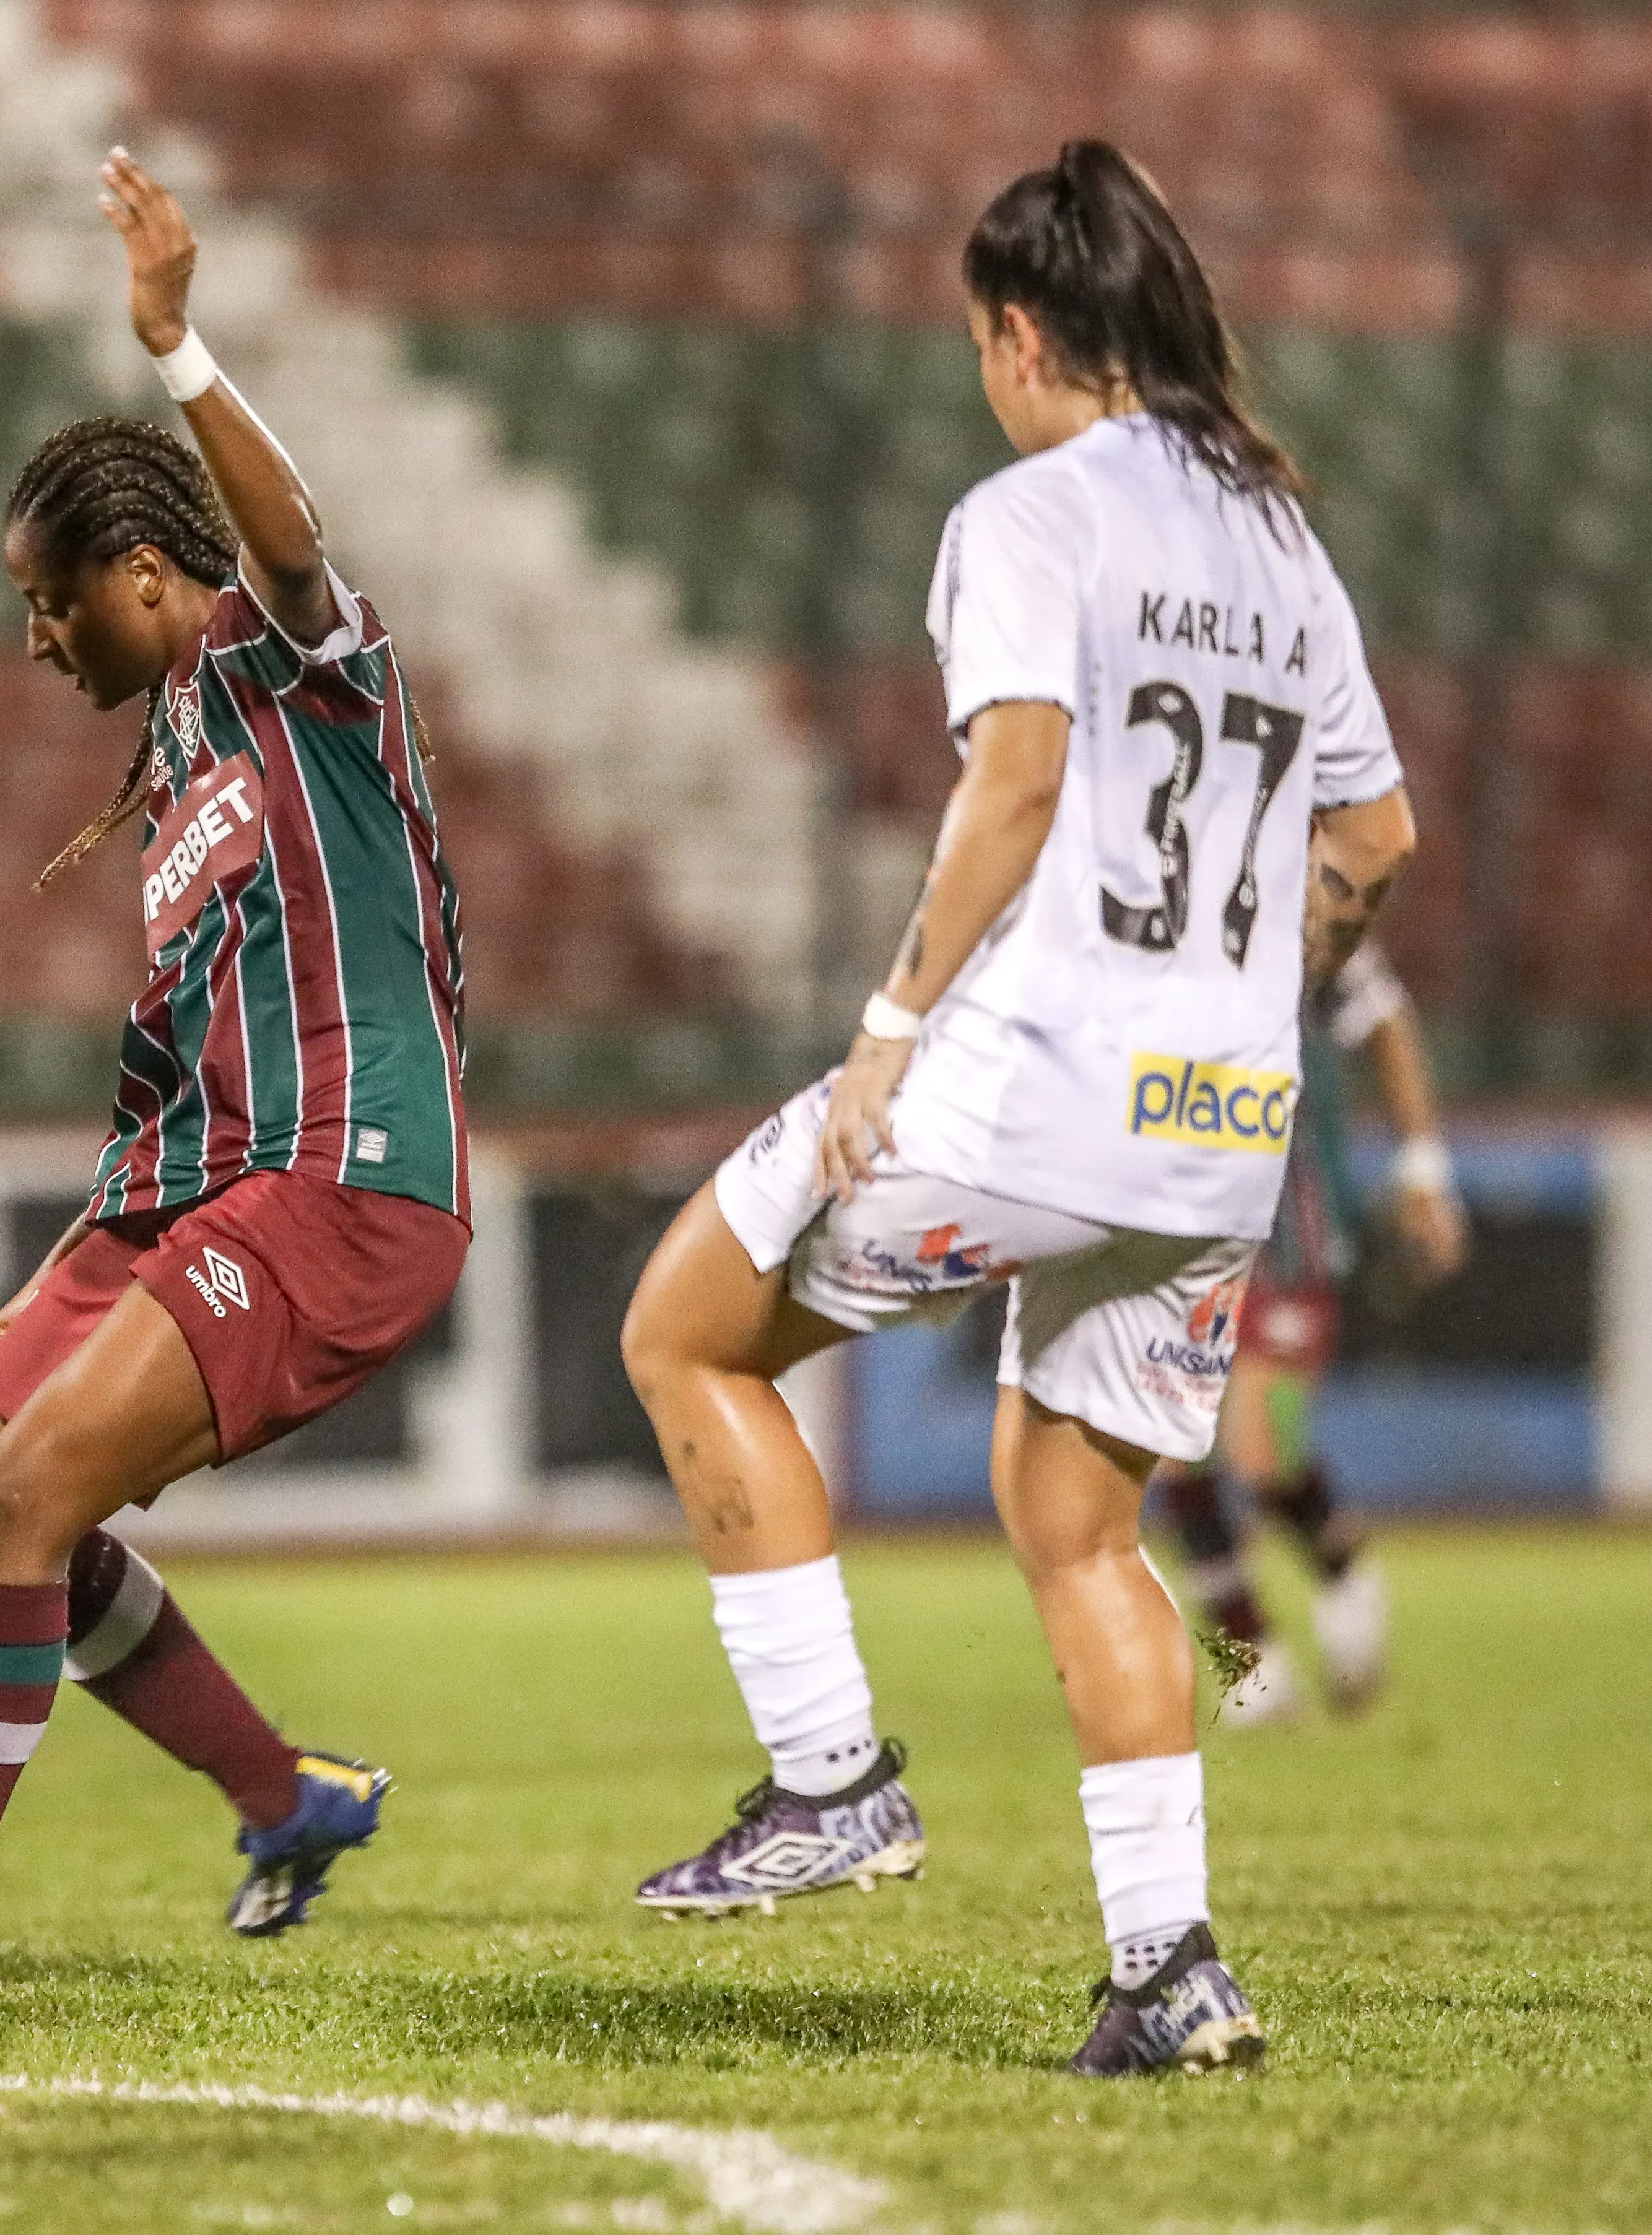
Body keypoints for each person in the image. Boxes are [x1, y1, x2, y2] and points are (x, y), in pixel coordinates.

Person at [613, 141, 1417, 2077]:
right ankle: (1167, 1971)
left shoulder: (1026, 515)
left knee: (682, 1330)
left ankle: (827, 1776)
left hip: (1032, 1079)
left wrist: (888, 1027)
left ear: (1018, 332)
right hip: (1219, 1123)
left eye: (977, 338)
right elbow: (1376, 837)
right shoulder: (1276, 538)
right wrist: (1246, 991)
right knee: (1076, 1522)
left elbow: (1020, 775)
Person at [0, 151, 467, 2029]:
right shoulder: (176, 761)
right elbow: (188, 1065)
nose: (32, 637)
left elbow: (291, 540)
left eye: (46, 601)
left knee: (19, 1515)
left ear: (142, 572)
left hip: (347, 1181)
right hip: (199, 1186)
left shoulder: (288, 671)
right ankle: (282, 1796)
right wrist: (79, 1253)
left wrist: (174, 345)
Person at [1156, 938, 1466, 1722]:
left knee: (1263, 1450)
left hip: (1290, 1238)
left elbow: (1388, 1023)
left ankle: (1344, 1571)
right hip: (1169, 1238)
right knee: (1172, 1460)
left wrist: (1423, 1170)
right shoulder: (1127, 913)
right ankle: (1248, 1664)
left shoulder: (1304, 914)